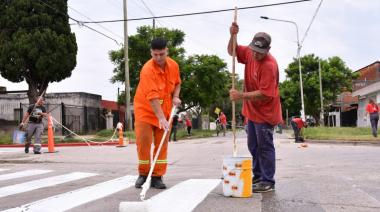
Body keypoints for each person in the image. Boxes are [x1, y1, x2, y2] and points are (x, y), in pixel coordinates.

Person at [228, 22, 282, 193]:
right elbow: (232, 51)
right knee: (253, 145)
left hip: (266, 113)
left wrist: (241, 96)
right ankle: (258, 176)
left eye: (261, 53)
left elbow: (265, 93)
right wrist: (233, 35)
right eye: (255, 51)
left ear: (267, 50)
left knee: (265, 146)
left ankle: (268, 181)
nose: (256, 55)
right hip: (251, 111)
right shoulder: (250, 53)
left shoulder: (269, 65)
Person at [133, 38, 181, 189]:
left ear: (167, 51)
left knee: (162, 145)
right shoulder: (147, 70)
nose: (159, 58)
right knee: (144, 143)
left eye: (161, 54)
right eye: (155, 55)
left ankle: (157, 177)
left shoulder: (174, 65)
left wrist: (175, 96)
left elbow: (178, 83)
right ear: (151, 53)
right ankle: (143, 174)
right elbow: (153, 99)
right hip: (145, 111)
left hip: (165, 111)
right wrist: (161, 118)